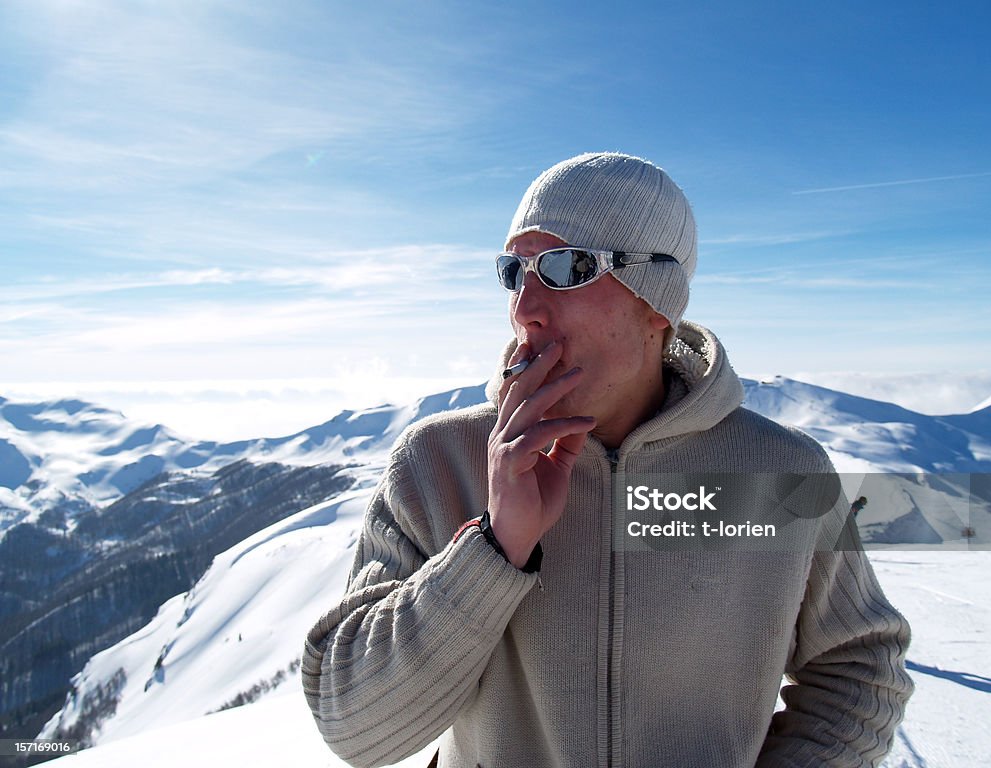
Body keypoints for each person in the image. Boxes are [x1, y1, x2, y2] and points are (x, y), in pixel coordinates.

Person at [303, 152, 913, 768]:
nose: (524, 307)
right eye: (514, 271)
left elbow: (859, 665)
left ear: (658, 303)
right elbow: (354, 727)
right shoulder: (439, 462)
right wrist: (494, 546)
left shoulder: (779, 472)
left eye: (566, 267)